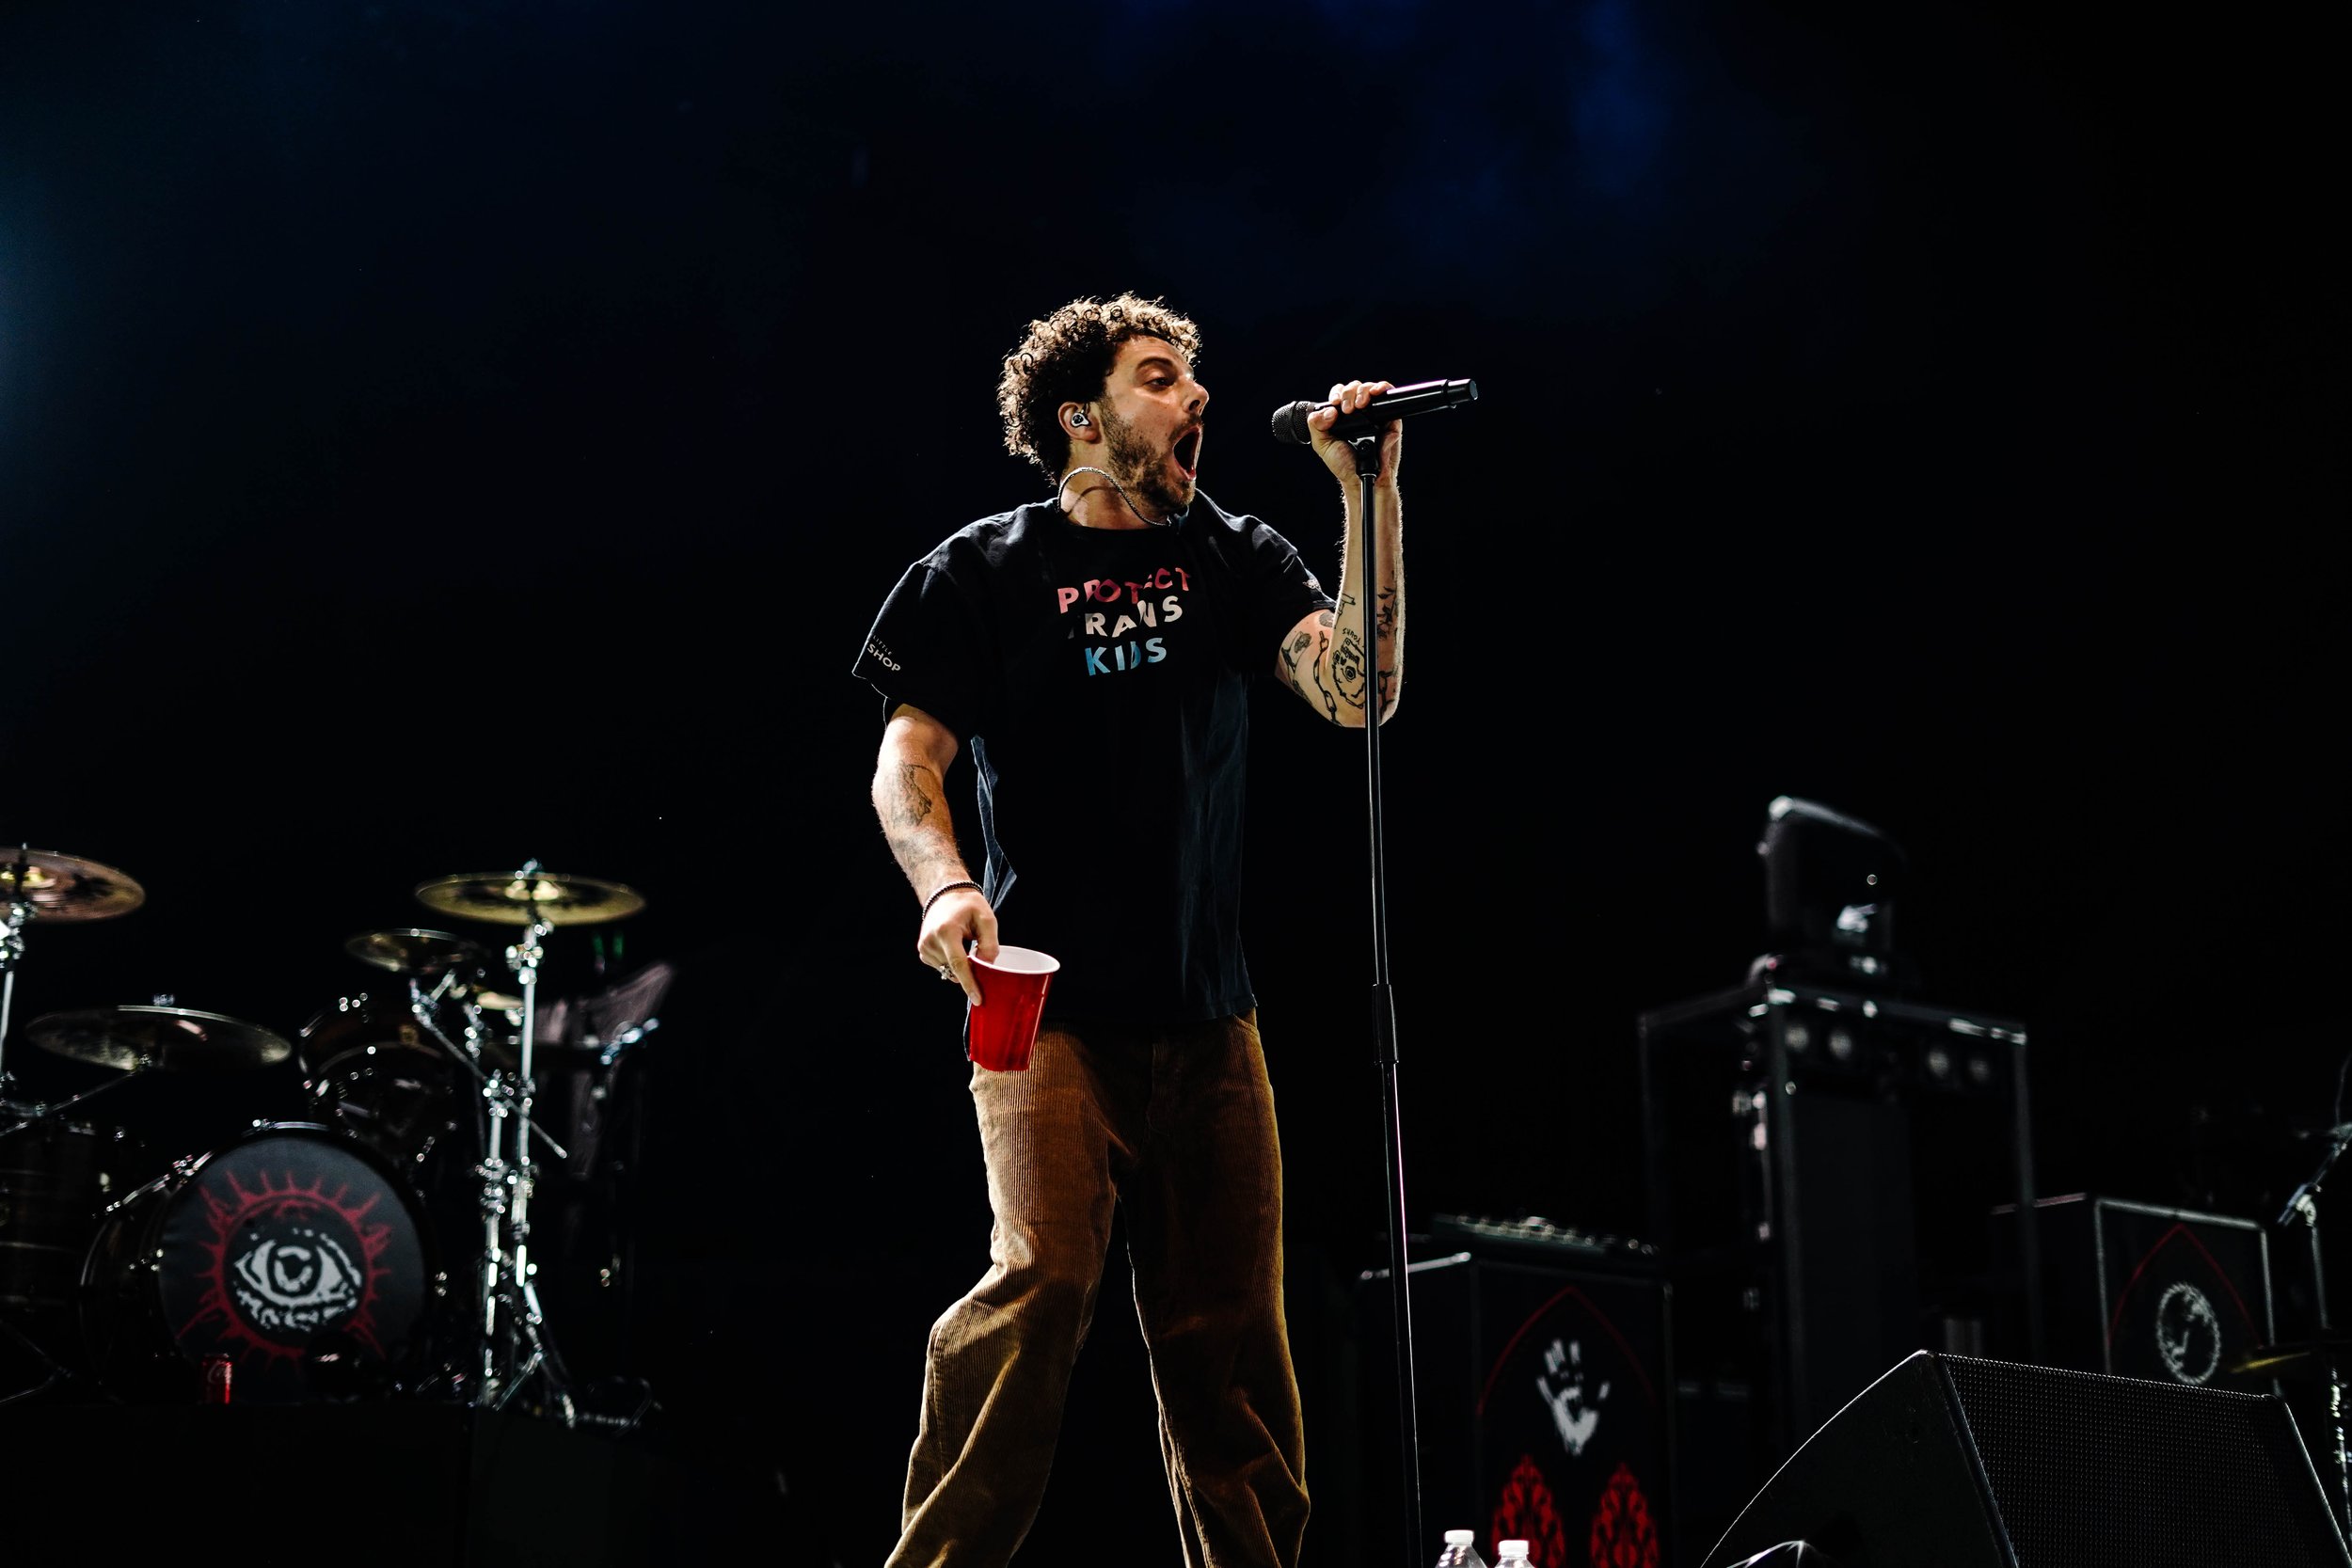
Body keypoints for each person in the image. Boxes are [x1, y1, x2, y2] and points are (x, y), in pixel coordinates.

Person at [850, 293, 1405, 1568]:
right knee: (1040, 1283)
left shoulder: (1233, 555)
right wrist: (942, 884)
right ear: (1082, 418)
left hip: (1212, 1021)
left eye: (1196, 376)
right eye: (1161, 377)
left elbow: (1360, 691)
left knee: (1233, 1347)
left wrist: (1368, 494)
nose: (1195, 396)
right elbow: (906, 762)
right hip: (1043, 1011)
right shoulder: (982, 573)